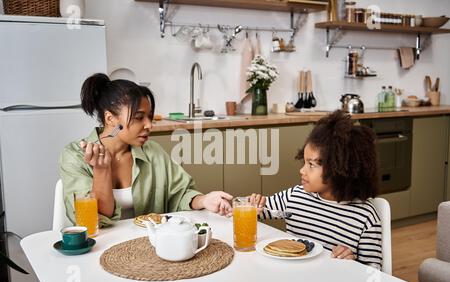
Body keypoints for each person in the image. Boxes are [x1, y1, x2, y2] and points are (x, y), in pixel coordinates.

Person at [60, 73, 232, 227]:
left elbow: (180, 193)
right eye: (139, 117)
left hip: (148, 249)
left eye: (149, 117)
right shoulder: (75, 156)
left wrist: (204, 200)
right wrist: (101, 170)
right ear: (110, 118)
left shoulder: (153, 151)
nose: (149, 125)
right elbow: (91, 219)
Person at [251, 110, 382, 270]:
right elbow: (262, 210)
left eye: (312, 165)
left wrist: (352, 264)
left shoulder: (365, 218)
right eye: (304, 162)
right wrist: (252, 206)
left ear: (339, 168)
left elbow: (375, 273)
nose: (302, 171)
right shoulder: (295, 197)